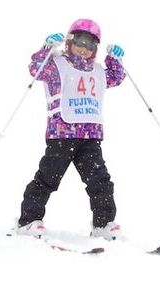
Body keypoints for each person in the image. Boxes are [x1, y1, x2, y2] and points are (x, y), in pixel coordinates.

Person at [15, 18, 126, 241]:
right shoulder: (57, 65)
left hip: (90, 136)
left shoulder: (98, 71)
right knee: (48, 177)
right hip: (62, 134)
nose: (84, 49)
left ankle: (103, 223)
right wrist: (47, 48)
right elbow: (36, 69)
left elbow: (116, 77)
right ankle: (29, 220)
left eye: (91, 45)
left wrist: (114, 59)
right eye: (80, 42)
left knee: (99, 181)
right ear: (70, 41)